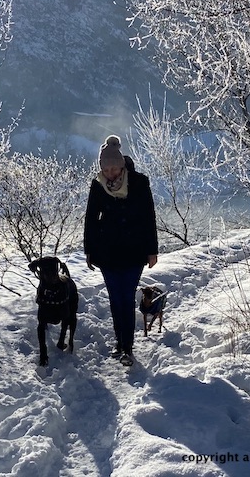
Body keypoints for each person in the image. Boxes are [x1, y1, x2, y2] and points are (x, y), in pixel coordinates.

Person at [83, 134, 158, 366]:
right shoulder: (97, 186)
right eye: (106, 170)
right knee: (116, 299)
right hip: (107, 252)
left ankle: (127, 346)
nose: (111, 174)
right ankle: (120, 342)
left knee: (126, 296)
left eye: (114, 169)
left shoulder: (139, 182)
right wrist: (89, 250)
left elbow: (149, 217)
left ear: (122, 166)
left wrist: (152, 250)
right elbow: (91, 220)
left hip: (134, 250)